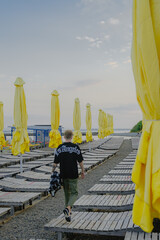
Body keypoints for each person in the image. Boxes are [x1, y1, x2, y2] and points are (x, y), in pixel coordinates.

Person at [52, 130, 85, 222]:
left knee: (67, 194)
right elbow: (80, 161)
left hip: (63, 174)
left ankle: (68, 214)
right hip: (73, 173)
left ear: (64, 137)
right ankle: (68, 208)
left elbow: (55, 163)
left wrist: (52, 173)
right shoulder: (75, 147)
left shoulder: (59, 147)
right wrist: (83, 171)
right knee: (74, 193)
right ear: (72, 137)